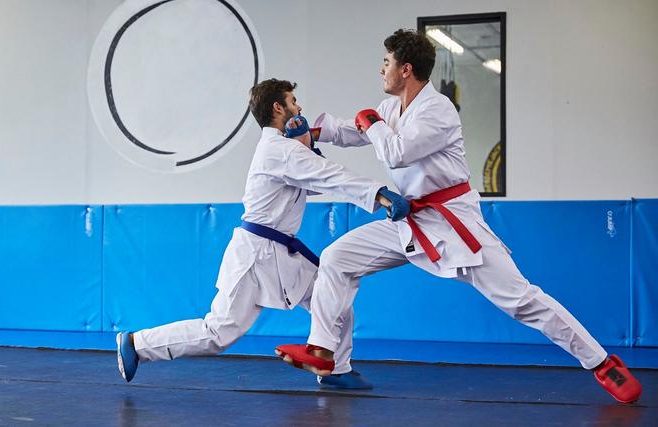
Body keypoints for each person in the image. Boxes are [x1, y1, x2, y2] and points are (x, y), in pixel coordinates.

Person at [276, 29, 642, 404]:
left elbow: (397, 152)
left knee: (521, 300)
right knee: (337, 258)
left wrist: (373, 124)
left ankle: (600, 362)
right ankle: (327, 356)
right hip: (410, 221)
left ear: (405, 69)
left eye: (385, 63)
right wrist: (313, 130)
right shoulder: (388, 111)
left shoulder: (439, 110)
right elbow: (355, 131)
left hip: (453, 225)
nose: (380, 69)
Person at [116, 78, 409, 390]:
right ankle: (136, 344)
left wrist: (306, 146)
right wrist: (379, 194)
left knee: (334, 298)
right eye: (293, 101)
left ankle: (335, 369)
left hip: (279, 253)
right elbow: (328, 176)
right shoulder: (278, 150)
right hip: (255, 257)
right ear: (278, 107)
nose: (300, 107)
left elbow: (313, 180)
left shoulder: (287, 150)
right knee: (219, 333)